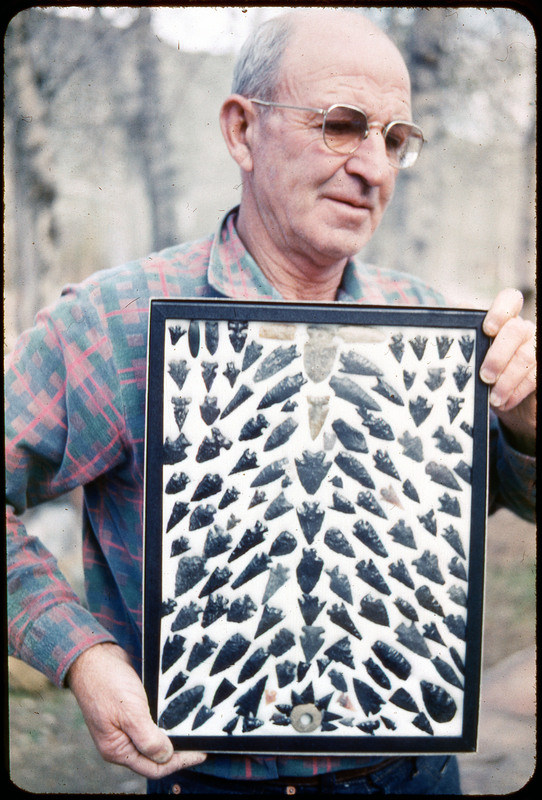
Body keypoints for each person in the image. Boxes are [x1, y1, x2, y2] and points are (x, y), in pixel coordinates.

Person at [6, 9, 535, 796]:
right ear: (241, 130)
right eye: (342, 126)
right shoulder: (114, 323)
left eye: (394, 140)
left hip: (416, 774)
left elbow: (505, 502)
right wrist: (81, 653)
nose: (375, 168)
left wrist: (527, 426)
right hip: (215, 782)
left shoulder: (431, 329)